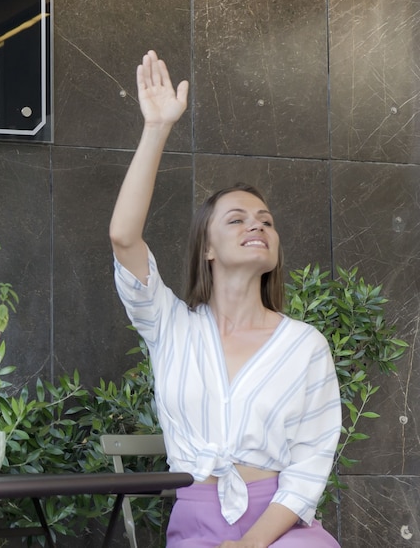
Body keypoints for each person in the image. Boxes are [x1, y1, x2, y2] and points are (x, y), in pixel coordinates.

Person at [108, 50, 342, 548]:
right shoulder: (170, 326)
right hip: (195, 518)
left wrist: (252, 544)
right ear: (207, 248)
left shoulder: (305, 346)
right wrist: (156, 127)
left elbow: (309, 466)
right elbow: (124, 238)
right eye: (236, 219)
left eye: (266, 221)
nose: (256, 224)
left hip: (279, 525)